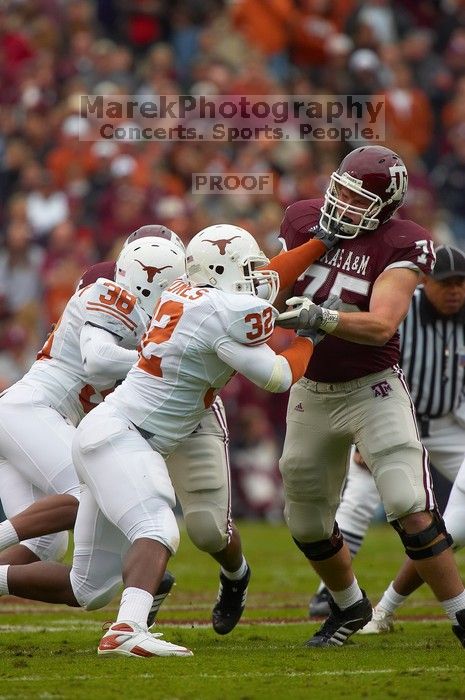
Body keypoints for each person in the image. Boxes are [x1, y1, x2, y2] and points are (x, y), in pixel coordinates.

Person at [0, 222, 338, 657]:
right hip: (123, 435)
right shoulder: (212, 309)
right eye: (249, 268)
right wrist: (309, 339)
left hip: (105, 430)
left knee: (88, 588)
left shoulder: (190, 301)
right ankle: (128, 629)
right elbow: (275, 375)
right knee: (156, 524)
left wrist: (315, 247)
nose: (260, 277)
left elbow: (261, 292)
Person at [275, 145, 465, 648]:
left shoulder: (405, 243)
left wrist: (323, 317)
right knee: (306, 517)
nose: (340, 203)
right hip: (312, 388)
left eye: (356, 198)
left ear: (385, 207)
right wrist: (312, 248)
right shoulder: (303, 219)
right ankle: (348, 605)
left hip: (371, 387)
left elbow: (382, 325)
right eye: (339, 189)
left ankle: (462, 616)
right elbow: (268, 294)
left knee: (408, 501)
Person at [0, 232, 186, 623]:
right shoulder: (110, 297)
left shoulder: (146, 319)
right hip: (32, 409)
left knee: (49, 548)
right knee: (90, 491)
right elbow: (98, 360)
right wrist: (152, 357)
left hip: (32, 421)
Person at [307, 244, 465, 631]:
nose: (455, 291)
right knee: (359, 500)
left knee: (455, 523)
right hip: (390, 418)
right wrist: (365, 430)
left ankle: (388, 605)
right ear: (424, 282)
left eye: (462, 283)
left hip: (446, 424)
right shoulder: (402, 309)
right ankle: (330, 591)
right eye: (446, 284)